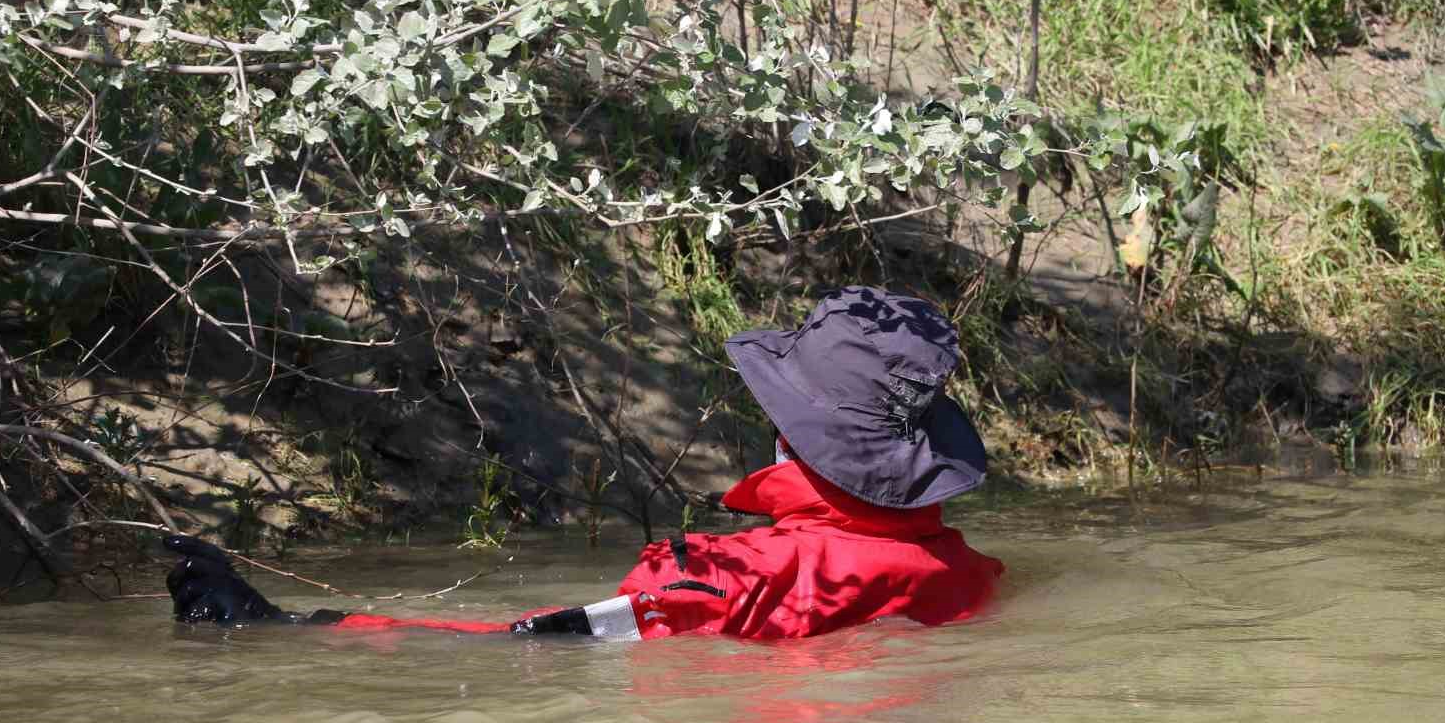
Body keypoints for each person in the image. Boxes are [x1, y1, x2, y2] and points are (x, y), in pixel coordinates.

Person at [165, 286, 1005, 640]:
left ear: (793, 436)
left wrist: (282, 628)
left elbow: (530, 646)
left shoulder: (719, 576)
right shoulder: (969, 574)